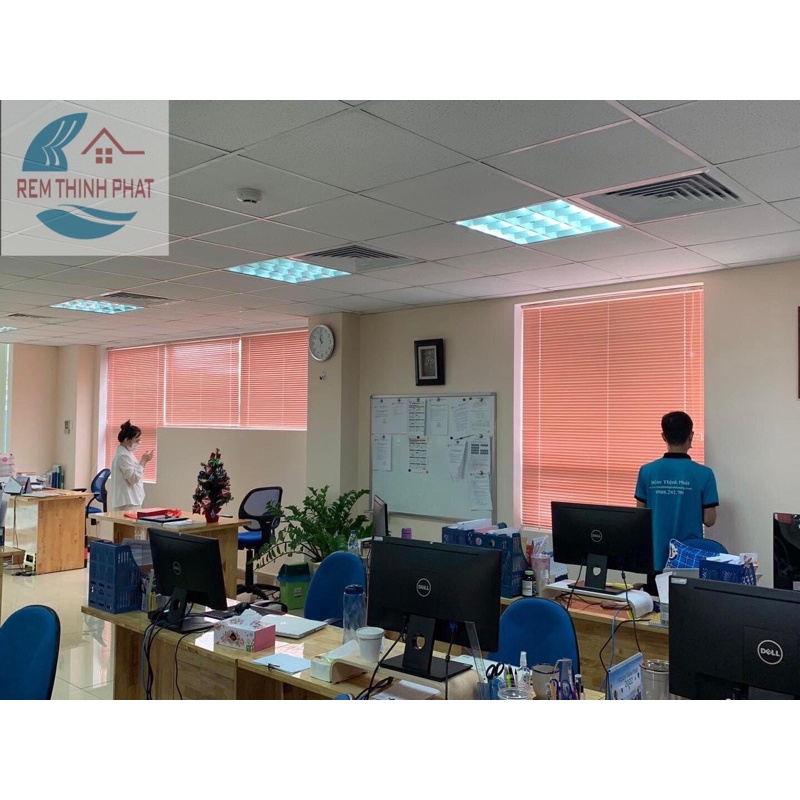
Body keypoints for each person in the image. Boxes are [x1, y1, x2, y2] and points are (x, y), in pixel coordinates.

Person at [635, 411, 719, 572]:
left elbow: (640, 515)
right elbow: (709, 520)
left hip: (654, 557)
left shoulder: (646, 471)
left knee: (655, 589)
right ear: (691, 436)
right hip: (688, 560)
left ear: (663, 436)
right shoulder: (705, 474)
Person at [110, 420, 155, 511]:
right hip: (127, 502)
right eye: (137, 441)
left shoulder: (127, 454)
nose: (139, 443)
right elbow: (133, 478)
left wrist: (143, 462)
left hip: (131, 501)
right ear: (127, 440)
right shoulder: (123, 456)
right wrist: (143, 461)